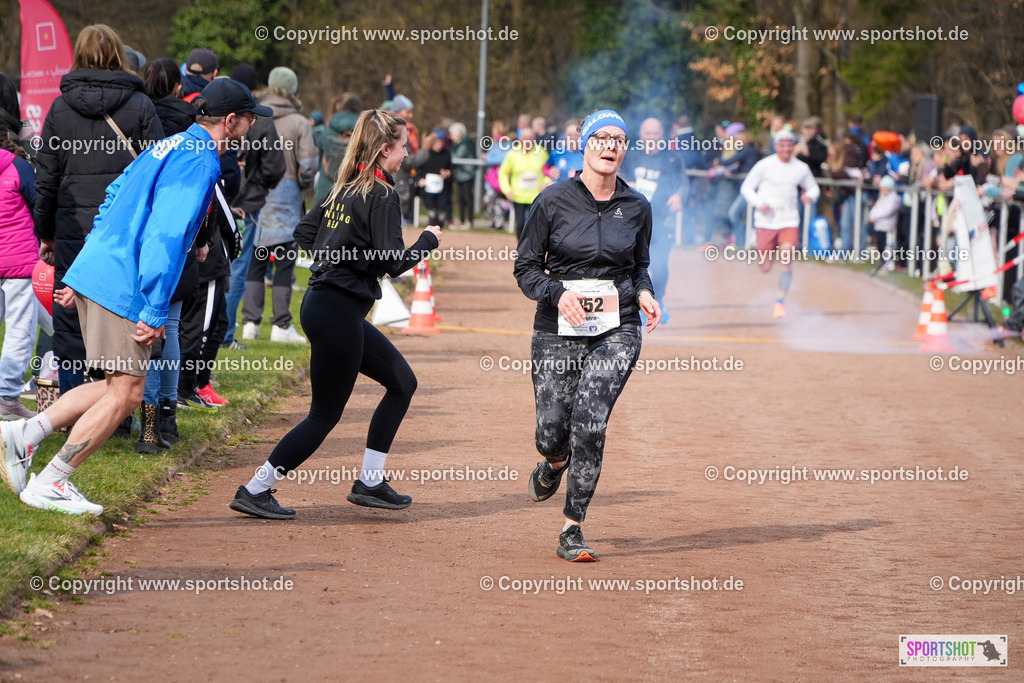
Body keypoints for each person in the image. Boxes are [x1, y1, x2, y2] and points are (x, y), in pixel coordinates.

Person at [0, 79, 268, 512]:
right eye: (250, 117)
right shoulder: (199, 160)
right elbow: (166, 233)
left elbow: (113, 200)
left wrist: (84, 272)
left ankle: (24, 435)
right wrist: (156, 307)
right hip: (125, 283)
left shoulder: (171, 144)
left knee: (114, 384)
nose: (252, 125)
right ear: (231, 120)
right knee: (128, 393)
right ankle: (52, 481)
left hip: (102, 271)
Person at [228, 109, 442, 520]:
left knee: (402, 383)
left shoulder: (344, 188)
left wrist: (342, 259)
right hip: (337, 311)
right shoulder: (381, 194)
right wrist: (428, 241)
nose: (405, 156)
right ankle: (257, 488)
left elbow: (306, 234)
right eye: (401, 148)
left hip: (329, 306)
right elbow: (393, 262)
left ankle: (371, 482)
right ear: (383, 150)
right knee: (324, 415)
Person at [514, 109, 661, 562]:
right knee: (551, 431)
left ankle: (572, 527)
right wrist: (557, 294)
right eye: (603, 138)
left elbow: (638, 267)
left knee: (590, 422)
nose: (611, 146)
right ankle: (554, 461)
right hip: (558, 328)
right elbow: (525, 268)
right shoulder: (552, 200)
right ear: (585, 144)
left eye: (620, 139)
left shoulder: (637, 206)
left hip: (618, 329)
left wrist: (646, 294)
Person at [33, 24, 164, 395]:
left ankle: (75, 406)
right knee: (120, 312)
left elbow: (47, 178)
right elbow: (157, 172)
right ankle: (119, 411)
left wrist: (46, 233)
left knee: (72, 319)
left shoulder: (59, 109)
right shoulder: (140, 105)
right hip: (123, 229)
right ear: (119, 55)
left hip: (74, 227)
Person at [242, 66, 316, 345]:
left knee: (255, 263)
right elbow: (308, 166)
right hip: (287, 201)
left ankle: (250, 322)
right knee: (285, 265)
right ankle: (281, 325)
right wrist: (301, 180)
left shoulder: (253, 116)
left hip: (255, 199)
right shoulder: (300, 122)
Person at [222, 64, 286, 350]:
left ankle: (210, 332)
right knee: (238, 267)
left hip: (218, 200)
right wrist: (259, 187)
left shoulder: (219, 112)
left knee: (215, 267)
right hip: (247, 206)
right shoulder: (261, 120)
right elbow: (275, 166)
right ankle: (223, 334)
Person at [739, 129, 820, 318]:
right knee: (765, 267)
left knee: (787, 259)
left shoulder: (800, 167)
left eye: (789, 145)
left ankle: (780, 303)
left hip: (789, 220)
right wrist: (760, 203)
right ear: (775, 146)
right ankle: (769, 253)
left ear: (794, 146)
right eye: (782, 145)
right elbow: (747, 187)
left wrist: (810, 196)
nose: (786, 148)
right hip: (766, 221)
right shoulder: (764, 165)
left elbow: (813, 187)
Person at [621, 117, 687, 322]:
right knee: (629, 263)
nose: (652, 137)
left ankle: (658, 302)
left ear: (662, 136)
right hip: (631, 221)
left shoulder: (672, 159)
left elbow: (683, 183)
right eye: (648, 133)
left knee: (658, 265)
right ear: (641, 136)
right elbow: (615, 176)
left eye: (656, 133)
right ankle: (631, 305)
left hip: (661, 221)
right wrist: (625, 182)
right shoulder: (630, 156)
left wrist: (679, 196)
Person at [0, 85, 39, 421]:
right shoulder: (19, 166)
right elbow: (39, 209)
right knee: (19, 330)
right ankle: (7, 397)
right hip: (20, 264)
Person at [498, 127, 553, 237]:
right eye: (525, 138)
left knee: (535, 226)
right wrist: (507, 190)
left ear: (534, 139)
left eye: (530, 138)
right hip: (518, 197)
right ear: (519, 139)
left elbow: (549, 171)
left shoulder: (541, 152)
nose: (527, 141)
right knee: (520, 225)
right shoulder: (513, 154)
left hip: (536, 196)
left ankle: (534, 251)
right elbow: (503, 173)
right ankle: (521, 250)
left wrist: (546, 183)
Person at [449, 122, 476, 226]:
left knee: (467, 198)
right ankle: (462, 220)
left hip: (467, 175)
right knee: (461, 198)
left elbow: (457, 156)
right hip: (460, 175)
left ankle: (470, 220)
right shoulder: (456, 145)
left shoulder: (465, 144)